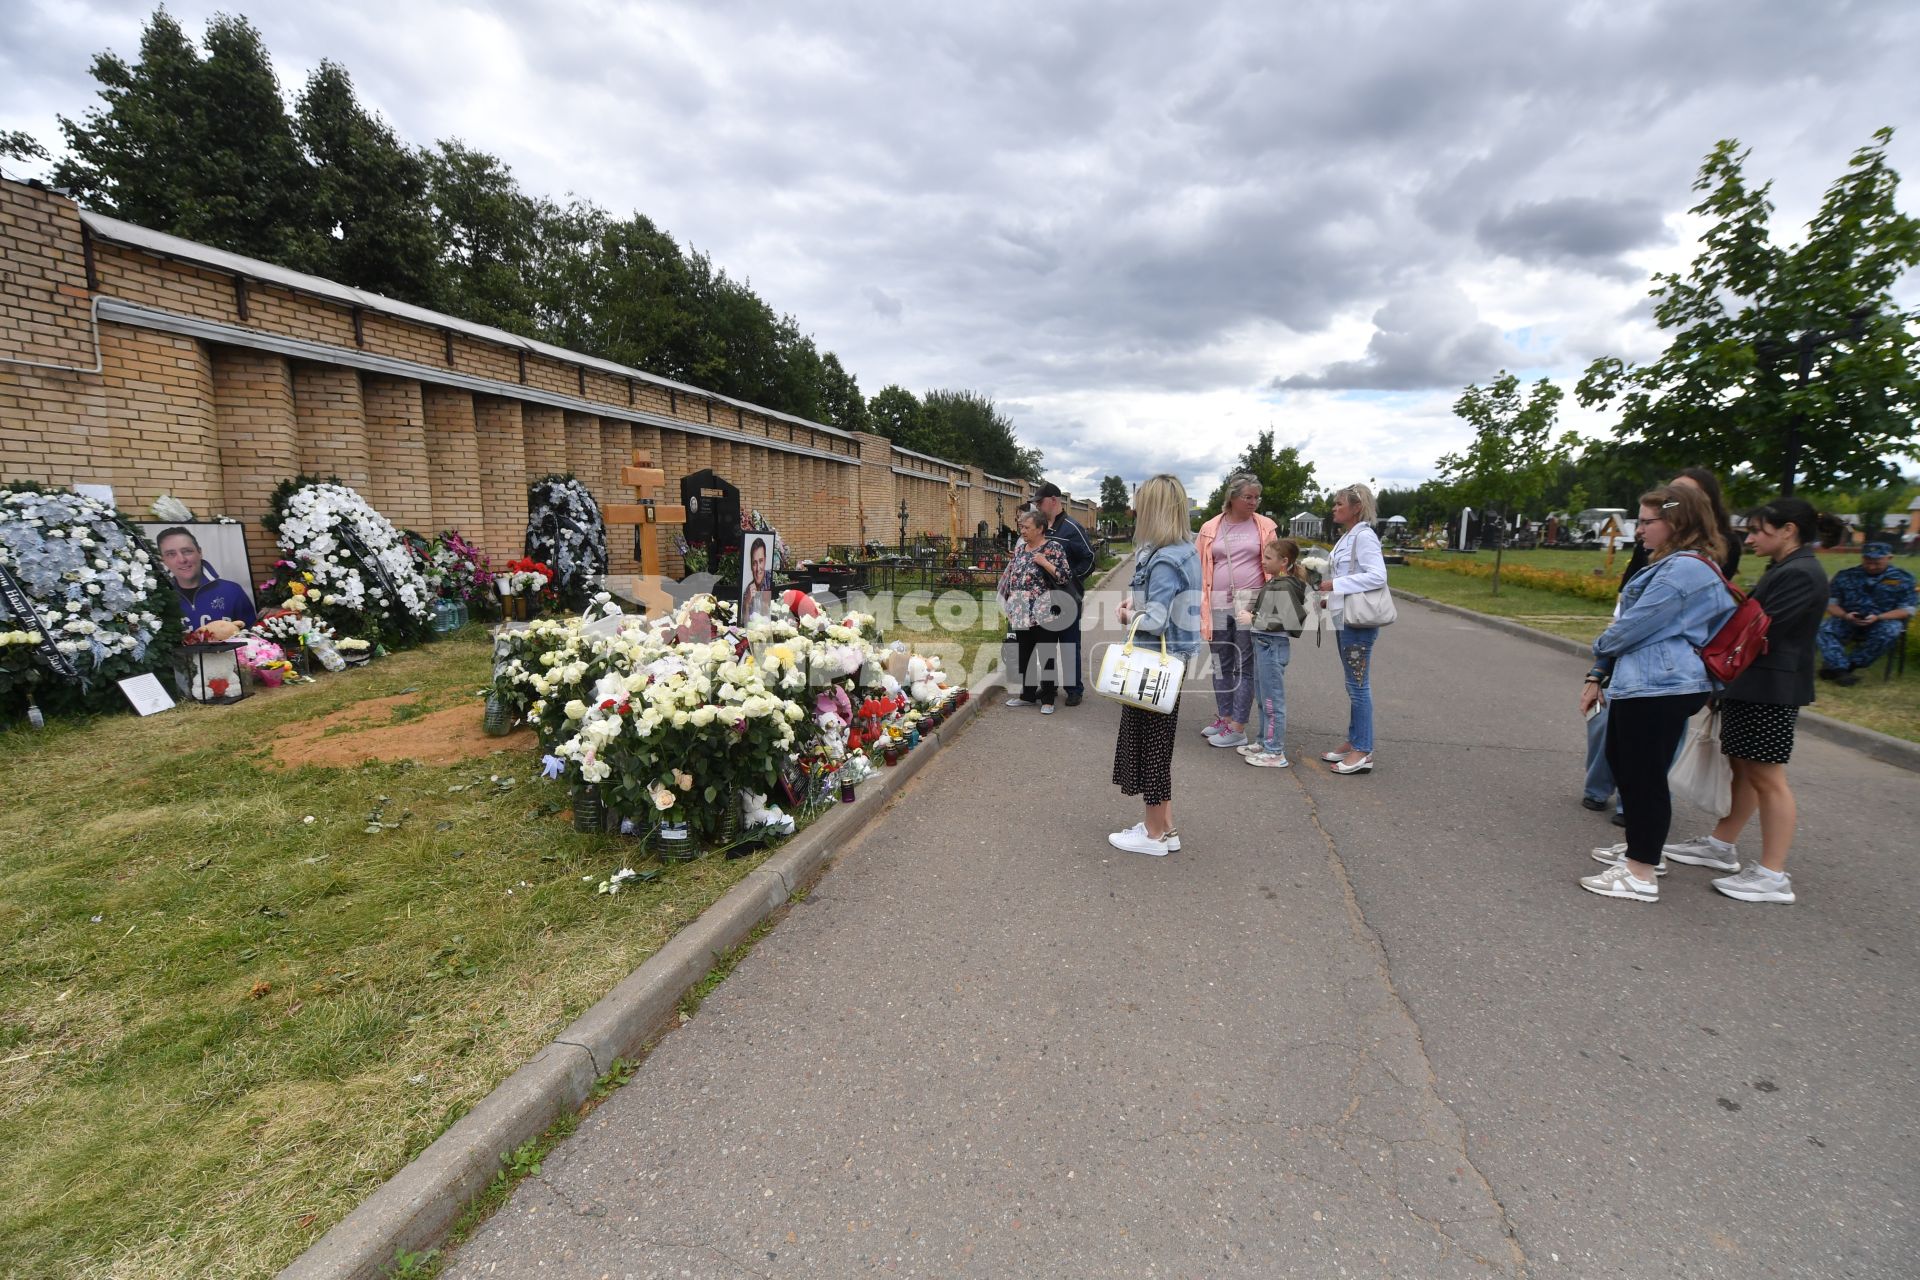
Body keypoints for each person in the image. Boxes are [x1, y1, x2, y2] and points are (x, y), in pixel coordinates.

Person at [1661, 498, 1828, 904]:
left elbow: (1759, 628)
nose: (1751, 538)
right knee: (1746, 770)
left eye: (1759, 531)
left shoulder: (1802, 573)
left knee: (1768, 778)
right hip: (1755, 685)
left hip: (1771, 689)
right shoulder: (1788, 568)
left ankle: (1773, 874)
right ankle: (1722, 844)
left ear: (1789, 530)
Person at [1577, 485, 1736, 903]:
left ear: (1677, 522)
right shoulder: (1676, 564)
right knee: (1626, 765)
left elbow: (1636, 623)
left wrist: (1601, 644)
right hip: (1651, 682)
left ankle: (1641, 871)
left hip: (1661, 683)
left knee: (1643, 774)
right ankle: (1641, 850)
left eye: (1648, 522)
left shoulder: (1684, 569)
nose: (1639, 529)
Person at [1109, 474, 1202, 857]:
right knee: (1157, 744)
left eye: (1142, 505)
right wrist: (1137, 608)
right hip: (1169, 662)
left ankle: (1151, 835)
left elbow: (1157, 620)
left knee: (1151, 746)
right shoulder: (1185, 549)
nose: (1136, 512)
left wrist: (1129, 615)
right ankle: (1166, 827)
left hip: (1153, 663)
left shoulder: (1164, 558)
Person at [1194, 473, 1277, 749]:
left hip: (1249, 602)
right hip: (1216, 601)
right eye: (1248, 497)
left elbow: (1276, 563)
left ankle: (1239, 727)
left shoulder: (1264, 526)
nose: (1254, 502)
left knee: (1244, 664)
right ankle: (1225, 718)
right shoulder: (1210, 527)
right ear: (1232, 497)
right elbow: (1198, 565)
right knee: (1220, 663)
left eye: (1257, 497)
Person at [1314, 484, 1387, 775]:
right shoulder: (1348, 537)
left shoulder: (1365, 537)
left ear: (1356, 507)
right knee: (1352, 684)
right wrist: (1328, 593)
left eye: (1339, 503)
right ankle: (1355, 739)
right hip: (1345, 619)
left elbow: (1378, 576)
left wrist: (1336, 585)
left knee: (1358, 686)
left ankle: (1363, 750)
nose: (1334, 507)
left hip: (1359, 623)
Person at [1235, 536, 1308, 768]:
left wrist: (1254, 618)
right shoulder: (1276, 582)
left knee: (1272, 700)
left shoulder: (1285, 585)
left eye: (1268, 558)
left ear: (1284, 561)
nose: (1263, 562)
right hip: (1264, 645)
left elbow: (1289, 619)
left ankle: (1275, 751)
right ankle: (1264, 742)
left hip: (1272, 646)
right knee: (1264, 697)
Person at [997, 508, 1068, 715]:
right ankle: (1027, 695)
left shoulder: (1053, 548)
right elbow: (1012, 575)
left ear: (1040, 528)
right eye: (1021, 527)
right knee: (1024, 655)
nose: (1022, 531)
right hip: (1020, 611)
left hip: (1044, 611)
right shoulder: (1020, 549)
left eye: (1026, 527)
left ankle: (1047, 698)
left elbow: (1064, 577)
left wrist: (1045, 563)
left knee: (1046, 656)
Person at [1816, 542, 1915, 684]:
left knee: (1891, 630)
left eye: (1877, 562)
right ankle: (1840, 670)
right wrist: (1845, 615)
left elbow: (1907, 609)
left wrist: (1879, 617)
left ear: (1889, 557)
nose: (1871, 566)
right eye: (1867, 561)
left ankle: (1848, 666)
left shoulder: (1903, 579)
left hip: (1881, 621)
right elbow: (1830, 604)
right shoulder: (1846, 576)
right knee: (1824, 629)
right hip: (1848, 619)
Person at [1034, 482, 1096, 706]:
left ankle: (1074, 689)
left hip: (1067, 598)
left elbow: (1089, 559)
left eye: (1040, 502)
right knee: (1047, 644)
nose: (1037, 507)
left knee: (1069, 644)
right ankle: (1049, 685)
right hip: (1044, 599)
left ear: (1053, 500)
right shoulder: (1042, 528)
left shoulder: (1072, 527)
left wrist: (1070, 580)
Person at [157, 527, 256, 629]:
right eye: (171, 554)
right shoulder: (159, 598)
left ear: (199, 552)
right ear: (163, 560)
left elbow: (253, 638)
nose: (182, 560)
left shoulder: (232, 591)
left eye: (187, 551)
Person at [741, 537, 774, 619]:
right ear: (751, 566)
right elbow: (745, 622)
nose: (758, 568)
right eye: (754, 563)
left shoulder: (772, 578)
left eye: (761, 561)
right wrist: (747, 603)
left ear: (765, 560)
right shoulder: (748, 591)